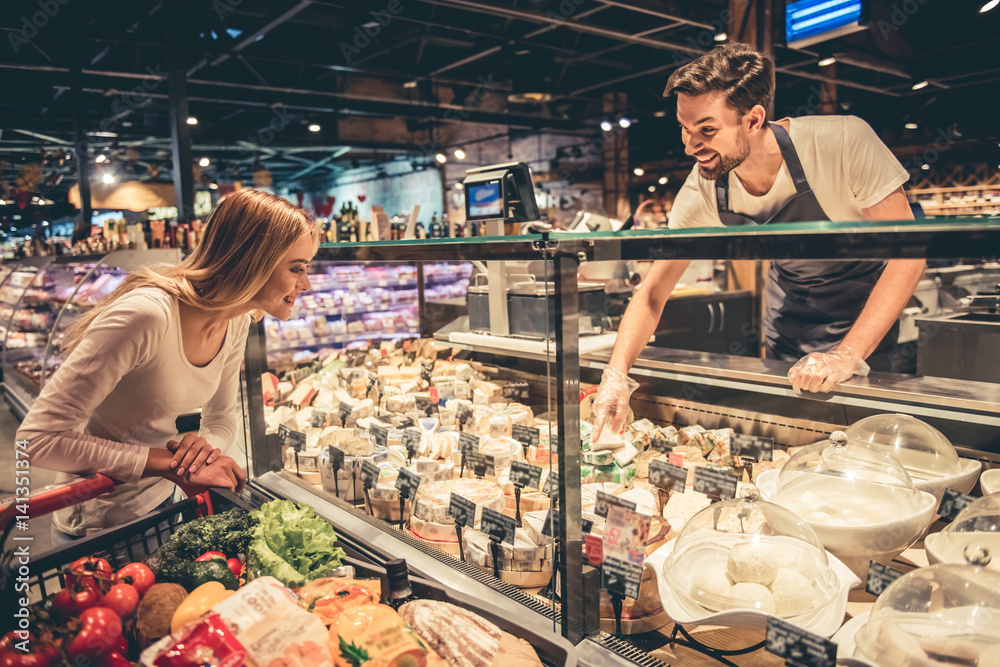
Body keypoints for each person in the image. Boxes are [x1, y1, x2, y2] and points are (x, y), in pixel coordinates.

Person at [593, 43, 925, 438]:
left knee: (863, 450)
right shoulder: (702, 190)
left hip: (866, 327)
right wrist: (616, 372)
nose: (690, 144)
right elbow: (652, 292)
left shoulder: (842, 143)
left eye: (707, 129)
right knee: (796, 444)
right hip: (786, 325)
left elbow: (910, 251)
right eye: (684, 128)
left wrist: (847, 355)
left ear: (753, 119)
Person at [17, 189, 318, 543]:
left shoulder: (236, 319)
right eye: (296, 268)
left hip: (167, 505)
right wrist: (173, 464)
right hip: (100, 523)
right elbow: (36, 441)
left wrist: (201, 449)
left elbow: (221, 418)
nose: (306, 284)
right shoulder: (147, 316)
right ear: (252, 260)